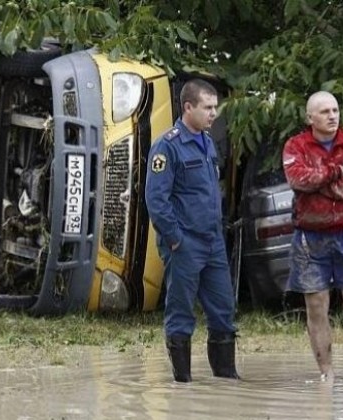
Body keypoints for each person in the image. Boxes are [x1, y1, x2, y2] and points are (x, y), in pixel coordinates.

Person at [145, 78, 239, 382]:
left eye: (215, 107)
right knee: (181, 311)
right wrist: (174, 239)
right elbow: (156, 200)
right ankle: (183, 383)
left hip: (213, 241)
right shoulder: (167, 146)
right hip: (184, 242)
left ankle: (226, 379)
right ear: (188, 107)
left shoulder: (207, 142)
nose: (213, 113)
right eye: (207, 107)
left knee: (224, 310)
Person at [282, 91, 343, 384]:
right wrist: (336, 171)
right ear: (310, 117)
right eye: (324, 111)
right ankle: (327, 375)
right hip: (310, 237)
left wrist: (320, 182)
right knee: (316, 307)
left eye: (335, 110)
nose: (332, 116)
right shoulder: (295, 145)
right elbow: (297, 179)